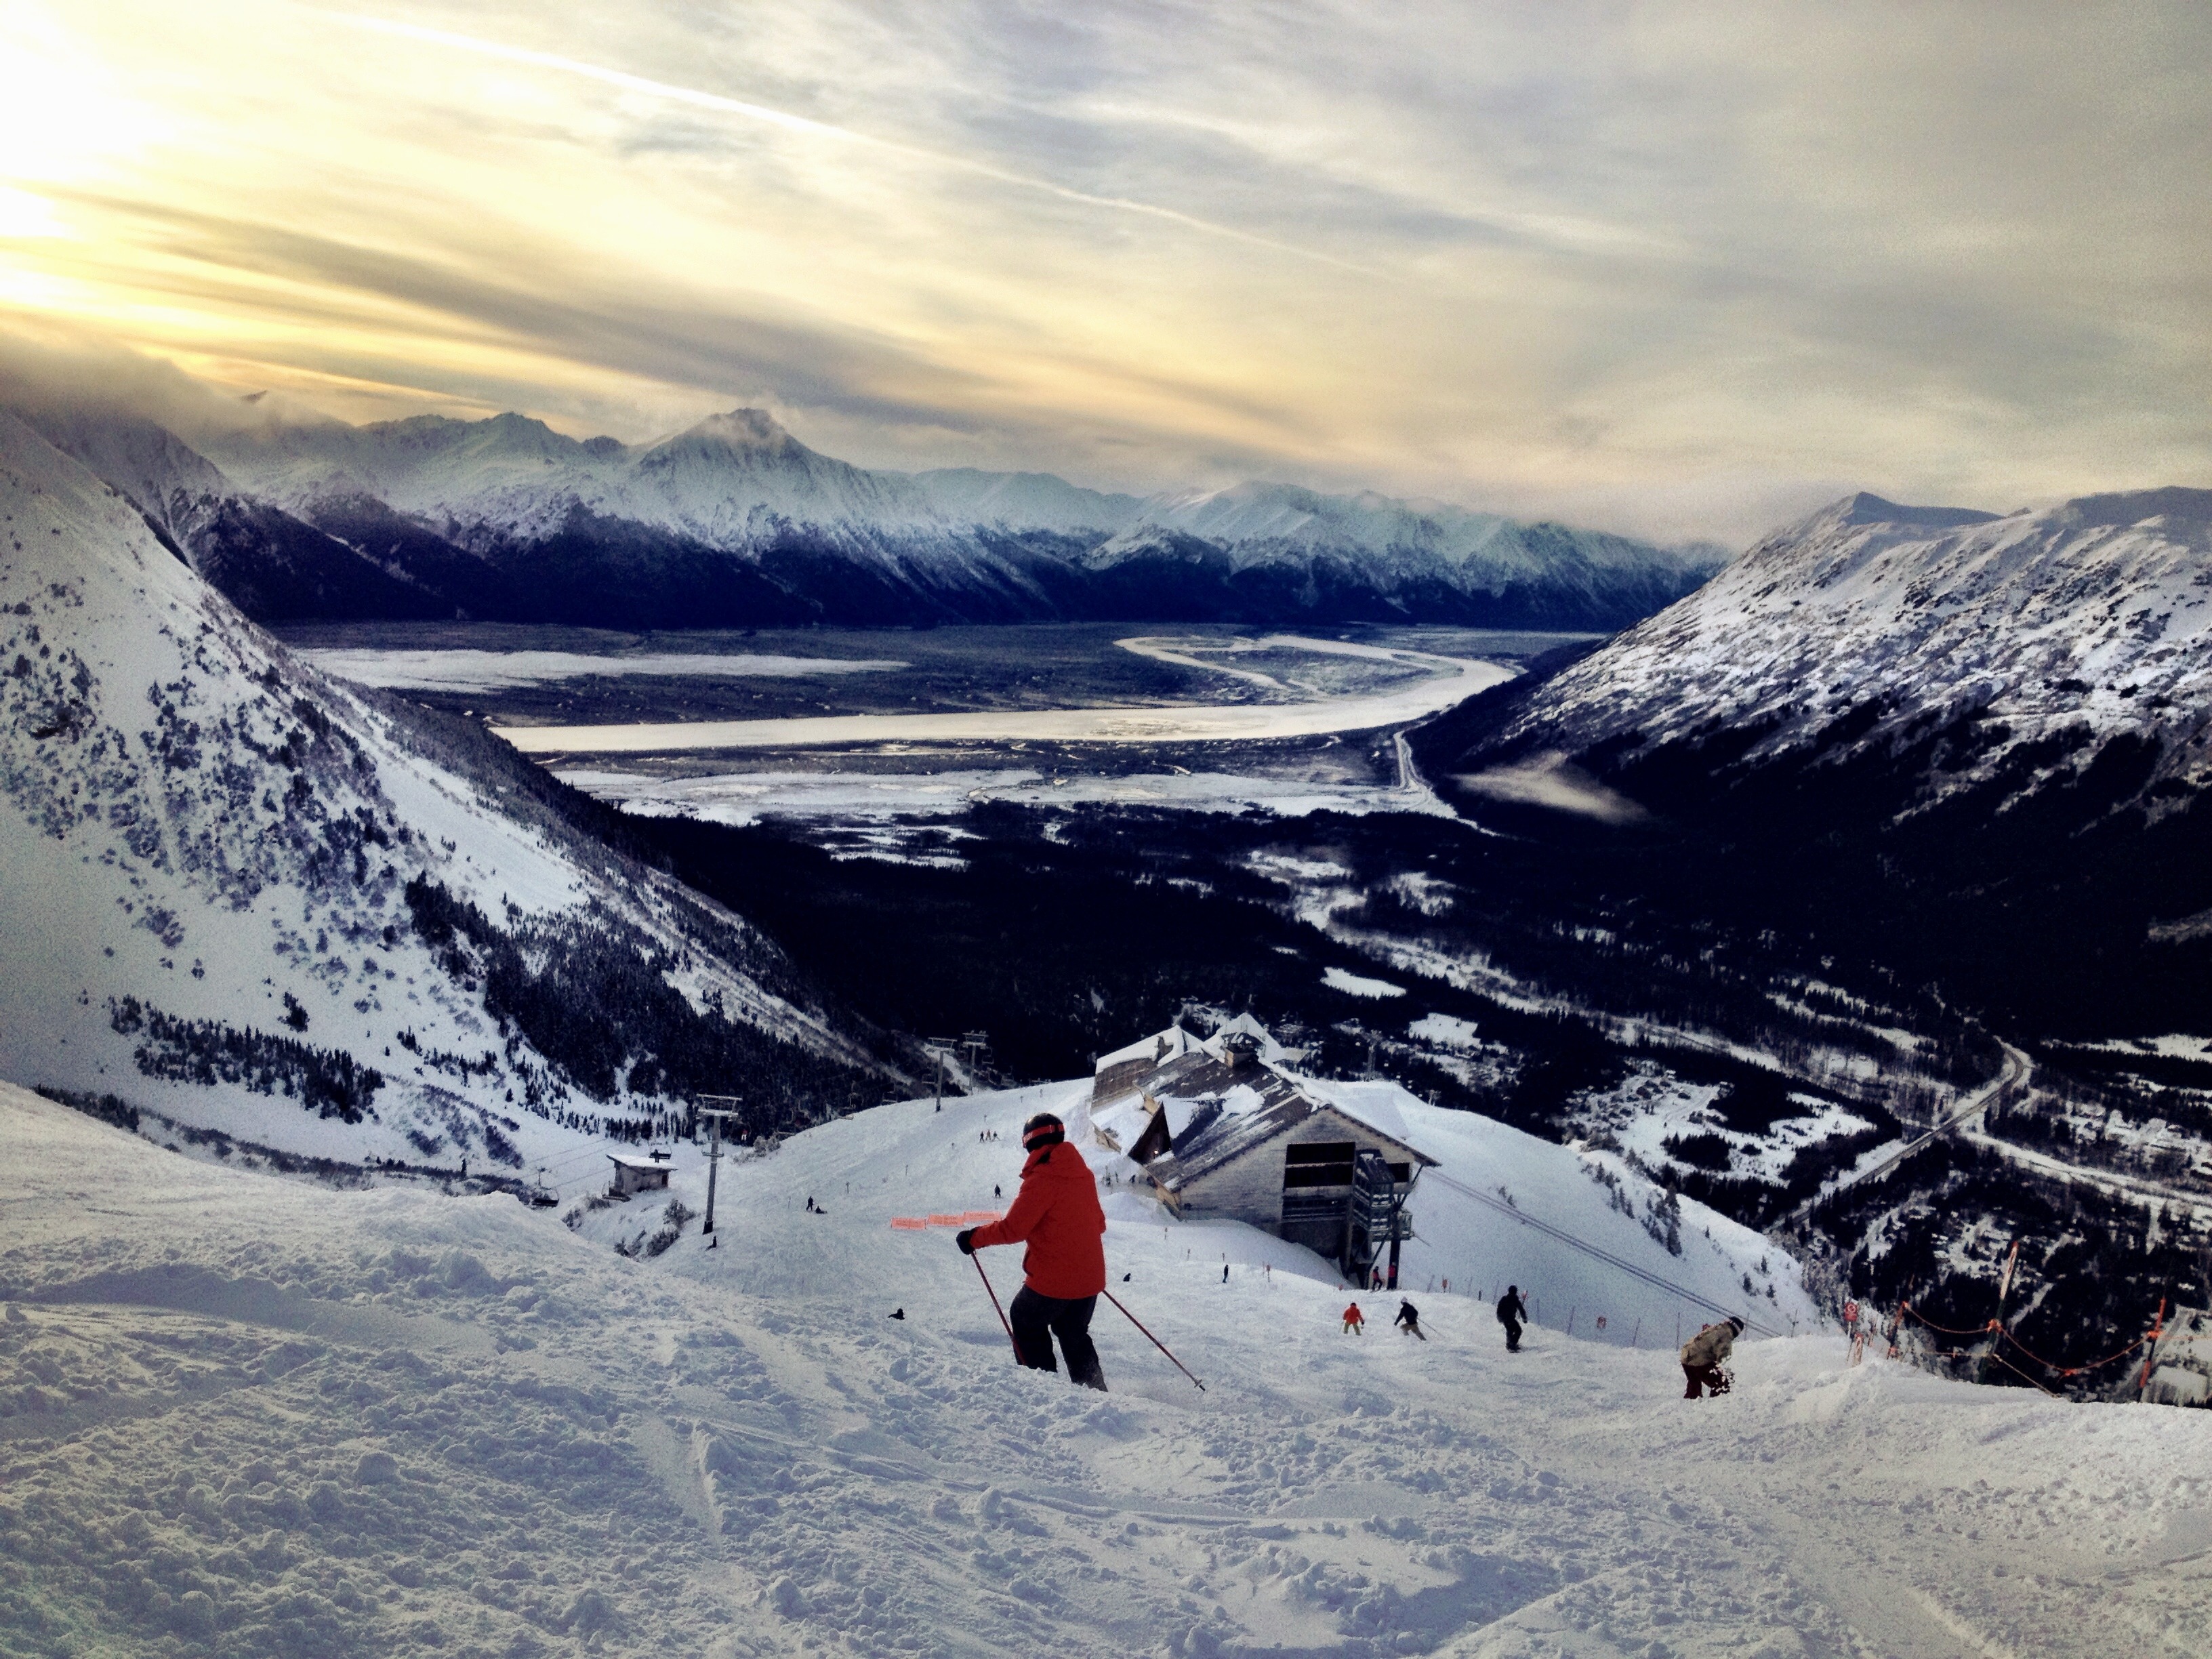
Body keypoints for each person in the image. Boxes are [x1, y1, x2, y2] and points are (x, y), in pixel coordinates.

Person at [957, 1113, 1108, 1390]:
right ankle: (1095, 1392)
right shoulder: (1083, 1175)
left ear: (1030, 1143)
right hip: (1090, 1280)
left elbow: (1013, 1229)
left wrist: (973, 1238)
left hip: (1053, 1282)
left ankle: (1044, 1390)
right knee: (1073, 1332)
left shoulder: (1042, 1178)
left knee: (1025, 1318)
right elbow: (1098, 1224)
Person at [1680, 1316, 1744, 1399]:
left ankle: (1691, 1400)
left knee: (1694, 1383)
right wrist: (1727, 1373)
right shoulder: (1726, 1336)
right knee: (1722, 1383)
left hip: (1686, 1355)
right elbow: (1723, 1358)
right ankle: (1717, 1402)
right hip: (1698, 1360)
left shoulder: (1716, 1328)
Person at [1496, 1286, 1526, 1352]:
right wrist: (1524, 1318)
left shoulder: (1505, 1298)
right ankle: (1511, 1344)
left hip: (1505, 1318)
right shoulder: (1514, 1300)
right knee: (1517, 1330)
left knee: (1511, 1330)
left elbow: (1499, 1308)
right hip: (1508, 1318)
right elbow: (1521, 1310)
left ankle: (1511, 1344)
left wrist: (1499, 1317)